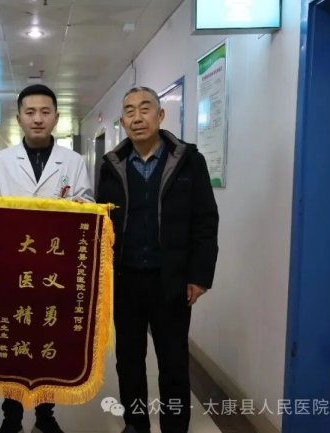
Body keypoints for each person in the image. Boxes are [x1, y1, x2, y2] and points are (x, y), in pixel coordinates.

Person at [97, 87, 219, 433]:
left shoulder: (189, 161)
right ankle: (135, 424)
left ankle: (175, 427)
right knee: (129, 362)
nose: (137, 117)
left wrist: (200, 276)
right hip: (125, 280)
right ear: (122, 122)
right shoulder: (112, 165)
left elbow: (206, 221)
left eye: (145, 108)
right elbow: (102, 224)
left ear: (160, 115)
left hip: (172, 280)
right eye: (129, 111)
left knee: (174, 362)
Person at [0, 84, 93, 433]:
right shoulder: (1, 161)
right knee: (14, 340)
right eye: (30, 112)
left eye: (45, 112)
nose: (38, 119)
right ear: (19, 118)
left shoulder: (73, 162)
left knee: (48, 338)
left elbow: (88, 206)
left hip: (54, 270)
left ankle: (46, 414)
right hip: (13, 271)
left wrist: (79, 206)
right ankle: (11, 416)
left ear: (56, 117)